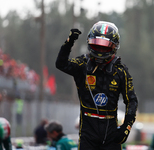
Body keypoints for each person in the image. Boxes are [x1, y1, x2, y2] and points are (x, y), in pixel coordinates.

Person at [55, 21, 138, 150]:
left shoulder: (121, 70)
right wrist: (69, 42)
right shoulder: (82, 64)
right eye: (97, 45)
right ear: (89, 42)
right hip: (88, 132)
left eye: (104, 47)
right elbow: (61, 64)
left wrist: (126, 128)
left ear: (114, 46)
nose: (100, 50)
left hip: (111, 132)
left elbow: (132, 101)